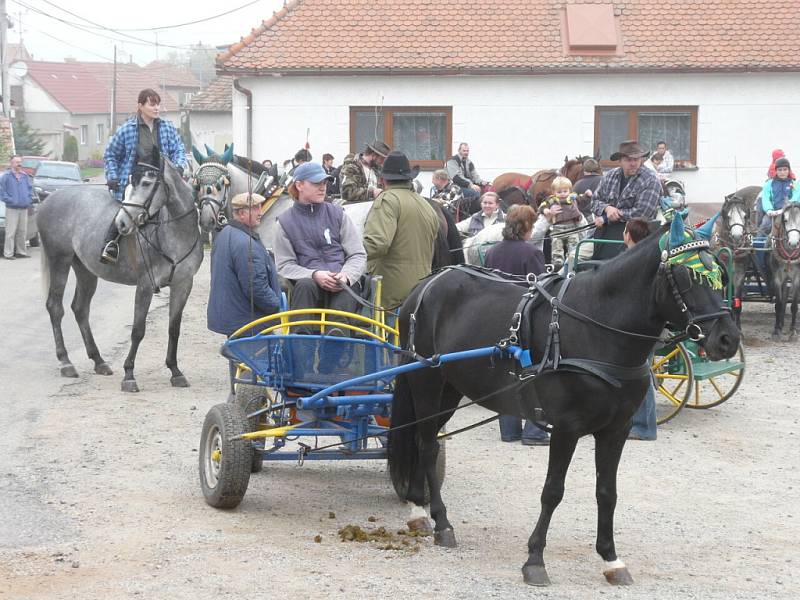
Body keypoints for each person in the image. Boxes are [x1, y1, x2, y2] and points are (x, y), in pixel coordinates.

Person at [483, 205, 548, 445]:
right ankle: (535, 429)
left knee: (506, 373)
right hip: (524, 322)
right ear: (527, 227)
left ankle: (509, 429)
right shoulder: (531, 253)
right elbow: (541, 290)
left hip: (496, 319)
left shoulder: (492, 252)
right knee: (534, 371)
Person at [102, 88, 188, 264]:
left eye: (158, 104)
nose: (156, 108)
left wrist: (178, 167)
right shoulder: (127, 129)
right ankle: (111, 244)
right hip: (135, 181)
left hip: (162, 181)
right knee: (127, 209)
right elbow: (110, 154)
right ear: (140, 106)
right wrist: (113, 176)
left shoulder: (167, 127)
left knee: (185, 203)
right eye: (152, 104)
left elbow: (179, 149)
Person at [273, 162, 366, 321]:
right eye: (316, 183)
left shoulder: (338, 214)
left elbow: (357, 254)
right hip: (307, 285)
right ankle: (301, 342)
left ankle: (337, 339)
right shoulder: (284, 223)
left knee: (345, 293)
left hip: (342, 282)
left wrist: (346, 276)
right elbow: (284, 265)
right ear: (299, 185)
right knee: (304, 285)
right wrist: (314, 274)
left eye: (324, 182)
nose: (323, 187)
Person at [362, 151, 441, 310]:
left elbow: (377, 244)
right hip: (421, 290)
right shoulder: (426, 205)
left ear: (383, 180)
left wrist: (349, 254)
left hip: (389, 293)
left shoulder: (387, 200)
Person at [207, 192, 282, 336]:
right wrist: (278, 305)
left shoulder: (225, 234)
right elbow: (256, 288)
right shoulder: (245, 244)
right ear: (241, 213)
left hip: (235, 319)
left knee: (238, 357)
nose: (260, 212)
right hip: (249, 323)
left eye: (260, 207)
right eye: (255, 209)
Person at [590, 140, 661, 260]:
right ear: (620, 161)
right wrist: (607, 208)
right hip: (604, 235)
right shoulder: (609, 176)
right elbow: (594, 201)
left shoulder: (651, 180)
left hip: (637, 238)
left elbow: (642, 213)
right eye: (628, 160)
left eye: (636, 159)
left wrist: (607, 218)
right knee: (574, 257)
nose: (633, 163)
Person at [623, 217, 658, 441]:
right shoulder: (648, 257)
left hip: (636, 326)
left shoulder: (634, 260)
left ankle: (644, 426)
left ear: (628, 235)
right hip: (646, 326)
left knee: (640, 371)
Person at [538, 176, 583, 270]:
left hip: (572, 228)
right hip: (557, 229)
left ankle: (572, 260)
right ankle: (557, 262)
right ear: (554, 192)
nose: (562, 194)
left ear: (569, 190)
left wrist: (587, 195)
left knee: (574, 244)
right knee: (556, 245)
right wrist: (546, 210)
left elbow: (582, 199)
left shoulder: (572, 198)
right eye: (559, 192)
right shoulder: (552, 200)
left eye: (565, 191)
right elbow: (542, 206)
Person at [1, 155, 34, 259]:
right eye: (16, 162)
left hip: (24, 208)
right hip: (12, 208)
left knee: (22, 231)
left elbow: (30, 190)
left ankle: (21, 252)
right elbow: (2, 191)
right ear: (11, 163)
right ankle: (8, 253)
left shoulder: (25, 176)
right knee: (10, 232)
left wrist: (28, 200)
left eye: (20, 162)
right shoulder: (6, 176)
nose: (19, 164)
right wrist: (11, 200)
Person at [759, 157, 800, 235]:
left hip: (791, 212)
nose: (782, 172)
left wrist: (786, 207)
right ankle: (759, 245)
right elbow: (766, 198)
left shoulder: (794, 184)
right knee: (765, 224)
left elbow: (796, 197)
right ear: (776, 171)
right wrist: (769, 210)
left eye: (785, 169)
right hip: (774, 212)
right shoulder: (769, 184)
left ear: (789, 170)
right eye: (780, 170)